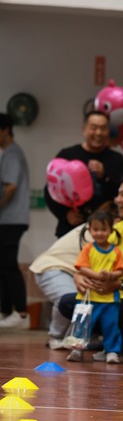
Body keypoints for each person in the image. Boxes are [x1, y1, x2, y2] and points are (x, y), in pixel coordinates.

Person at [58, 171, 123, 363]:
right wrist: (79, 277)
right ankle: (105, 340)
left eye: (122, 194)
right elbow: (90, 258)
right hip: (107, 297)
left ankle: (112, 341)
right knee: (66, 302)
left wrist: (120, 285)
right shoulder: (117, 229)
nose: (116, 200)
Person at [45, 110, 123, 237]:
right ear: (84, 129)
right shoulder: (67, 155)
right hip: (70, 229)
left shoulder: (116, 159)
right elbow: (50, 191)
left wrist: (104, 176)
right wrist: (65, 214)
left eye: (103, 128)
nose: (98, 133)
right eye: (93, 128)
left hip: (106, 231)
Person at [67, 209, 123, 364]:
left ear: (111, 230)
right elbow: (81, 267)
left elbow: (121, 270)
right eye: (96, 229)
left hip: (110, 299)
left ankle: (112, 351)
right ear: (89, 230)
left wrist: (110, 275)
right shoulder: (88, 249)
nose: (99, 233)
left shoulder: (116, 251)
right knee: (82, 324)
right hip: (88, 297)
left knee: (111, 325)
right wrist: (97, 275)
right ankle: (77, 350)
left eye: (103, 229)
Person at [0, 113, 30, 330]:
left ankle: (21, 313)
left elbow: (10, 187)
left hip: (12, 219)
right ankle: (6, 311)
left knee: (8, 265)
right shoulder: (8, 153)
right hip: (7, 219)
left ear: (5, 130)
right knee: (3, 265)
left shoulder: (12, 154)